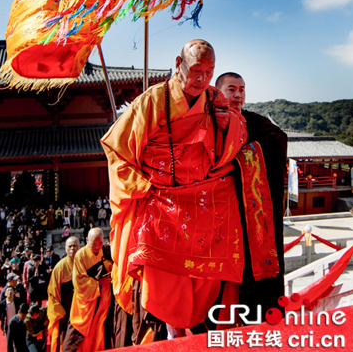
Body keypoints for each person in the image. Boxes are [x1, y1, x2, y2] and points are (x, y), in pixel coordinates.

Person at [101, 39, 248, 341]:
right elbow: (116, 146)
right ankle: (172, 334)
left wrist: (226, 125)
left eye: (209, 72)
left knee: (205, 275)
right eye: (196, 70)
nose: (202, 79)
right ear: (178, 64)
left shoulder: (213, 97)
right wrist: (141, 185)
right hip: (164, 199)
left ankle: (196, 332)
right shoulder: (153, 101)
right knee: (164, 280)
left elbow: (239, 129)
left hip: (204, 197)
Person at [216, 72, 287, 321]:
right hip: (217, 212)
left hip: (249, 209)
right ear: (217, 92)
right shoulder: (205, 119)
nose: (238, 95)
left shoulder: (252, 121)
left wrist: (241, 155)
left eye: (242, 90)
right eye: (231, 89)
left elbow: (278, 139)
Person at [62, 228, 113, 352]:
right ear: (86, 241)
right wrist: (98, 283)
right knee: (77, 337)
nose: (97, 247)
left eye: (100, 243)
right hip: (85, 305)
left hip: (103, 301)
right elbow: (79, 282)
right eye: (93, 244)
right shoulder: (81, 255)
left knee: (100, 332)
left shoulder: (106, 252)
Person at [47, 236, 80, 352]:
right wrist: (60, 313)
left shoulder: (84, 264)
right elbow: (52, 293)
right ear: (65, 248)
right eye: (70, 246)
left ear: (80, 247)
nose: (72, 249)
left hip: (81, 311)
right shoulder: (59, 268)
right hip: (65, 313)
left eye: (75, 246)